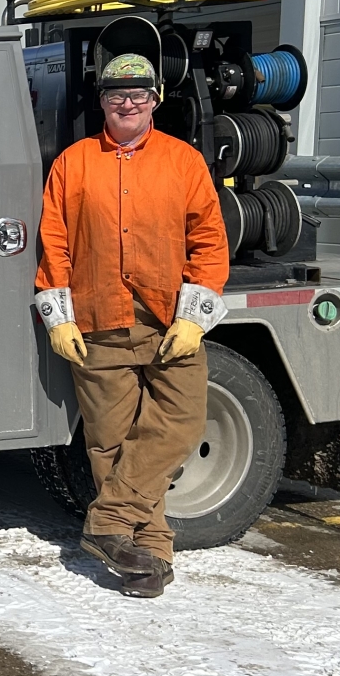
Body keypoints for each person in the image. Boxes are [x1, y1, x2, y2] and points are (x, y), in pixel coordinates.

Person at [34, 52, 230, 598]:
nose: (128, 102)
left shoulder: (183, 162)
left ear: (156, 100)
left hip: (169, 323)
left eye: (139, 94)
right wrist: (58, 316)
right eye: (117, 95)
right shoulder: (73, 163)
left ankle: (107, 523)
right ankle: (148, 557)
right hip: (97, 324)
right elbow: (55, 242)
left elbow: (209, 241)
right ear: (101, 102)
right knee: (112, 445)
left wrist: (194, 317)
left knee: (182, 424)